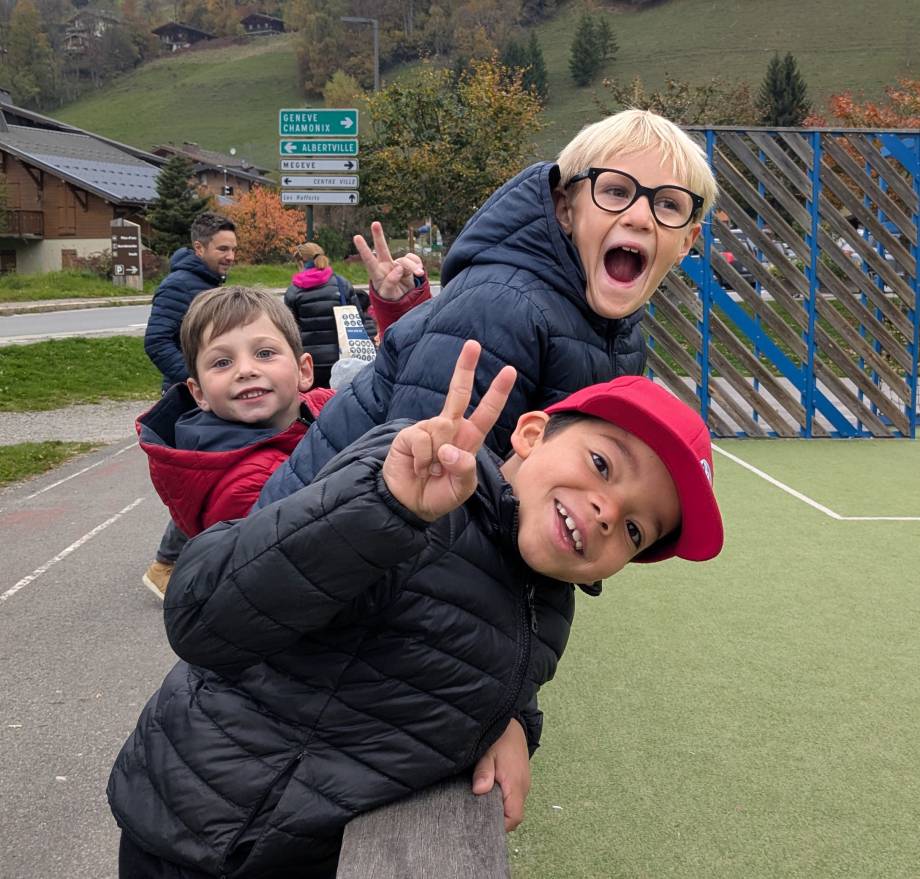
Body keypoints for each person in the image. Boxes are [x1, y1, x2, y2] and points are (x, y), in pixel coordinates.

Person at [164, 107, 720, 824]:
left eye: (669, 205)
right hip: (310, 617)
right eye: (616, 190)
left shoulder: (611, 333)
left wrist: (514, 711)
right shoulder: (505, 305)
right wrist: (500, 706)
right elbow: (423, 513)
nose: (641, 216)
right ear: (566, 202)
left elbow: (523, 546)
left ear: (688, 239)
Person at [108, 340, 724, 879]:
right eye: (602, 465)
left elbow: (489, 672)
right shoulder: (411, 484)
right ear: (531, 433)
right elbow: (202, 614)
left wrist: (513, 725)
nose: (610, 513)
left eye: (638, 530)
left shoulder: (548, 599)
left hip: (315, 847)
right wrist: (386, 507)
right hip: (207, 834)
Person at [136, 282, 426, 545]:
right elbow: (332, 543)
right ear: (199, 393)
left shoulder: (319, 404)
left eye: (264, 354)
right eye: (222, 362)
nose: (246, 370)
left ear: (304, 371)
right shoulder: (243, 485)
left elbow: (392, 397)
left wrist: (396, 309)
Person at [141, 212, 238, 597]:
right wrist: (198, 382)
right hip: (193, 400)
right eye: (222, 248)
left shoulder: (208, 283)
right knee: (204, 479)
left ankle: (196, 560)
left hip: (211, 396)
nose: (231, 255)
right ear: (199, 248)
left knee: (219, 476)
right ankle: (165, 565)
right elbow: (156, 341)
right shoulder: (180, 286)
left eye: (233, 248)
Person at [284, 242, 431, 387]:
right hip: (341, 359)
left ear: (301, 263)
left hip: (309, 362)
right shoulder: (341, 284)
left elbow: (290, 331)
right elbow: (358, 320)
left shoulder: (294, 291)